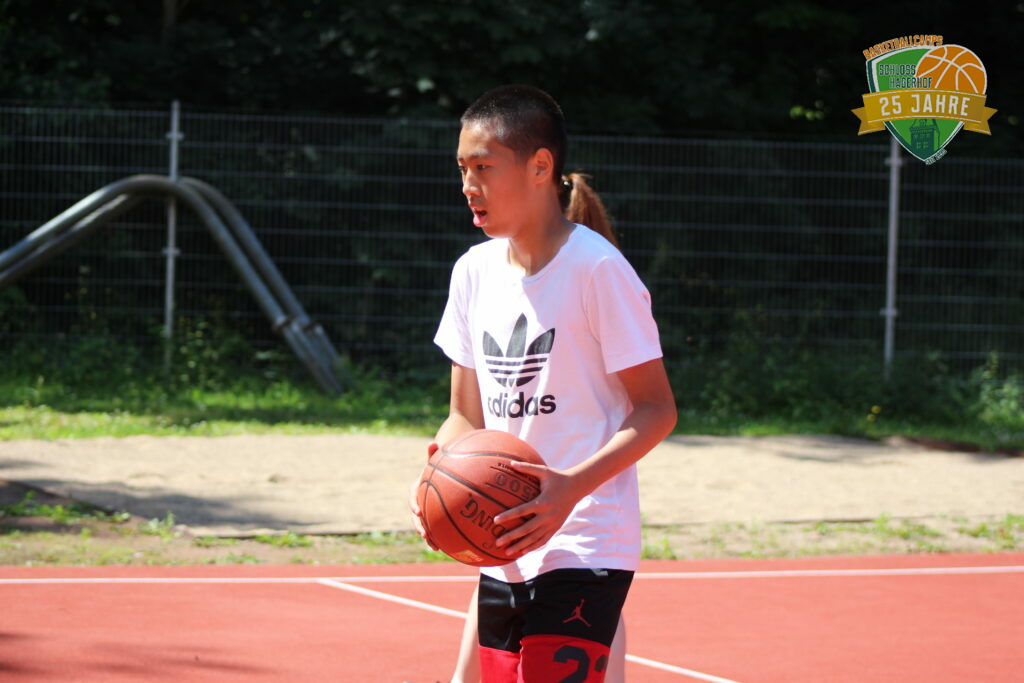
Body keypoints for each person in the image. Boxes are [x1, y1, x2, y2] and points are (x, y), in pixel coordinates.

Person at [412, 84, 676, 683]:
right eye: (462, 168)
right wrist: (439, 473)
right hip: (503, 534)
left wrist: (568, 488)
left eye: (483, 167)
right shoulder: (473, 273)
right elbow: (464, 415)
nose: (468, 185)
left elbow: (657, 409)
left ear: (539, 167)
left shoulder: (596, 270)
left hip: (584, 535)